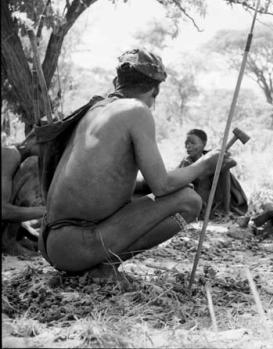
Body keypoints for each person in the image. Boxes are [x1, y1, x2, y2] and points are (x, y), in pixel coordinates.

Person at [38, 49, 234, 277]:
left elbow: (105, 182)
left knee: (164, 190)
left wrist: (150, 184)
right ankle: (106, 267)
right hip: (77, 247)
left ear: (117, 82)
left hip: (52, 242)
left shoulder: (96, 110)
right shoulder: (136, 110)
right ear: (155, 90)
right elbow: (162, 186)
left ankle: (98, 264)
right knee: (189, 201)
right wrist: (205, 163)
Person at [178, 129, 248, 218]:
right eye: (186, 143)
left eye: (192, 143)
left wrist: (220, 159)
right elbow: (197, 177)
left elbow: (232, 162)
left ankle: (225, 209)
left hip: (212, 199)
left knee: (224, 169)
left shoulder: (209, 155)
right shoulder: (187, 162)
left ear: (204, 144)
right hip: (196, 200)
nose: (188, 146)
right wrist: (209, 168)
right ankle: (205, 211)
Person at [1, 132, 45, 255]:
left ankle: (16, 237)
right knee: (33, 164)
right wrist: (46, 210)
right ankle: (8, 241)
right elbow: (3, 210)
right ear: (32, 140)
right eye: (46, 146)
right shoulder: (10, 155)